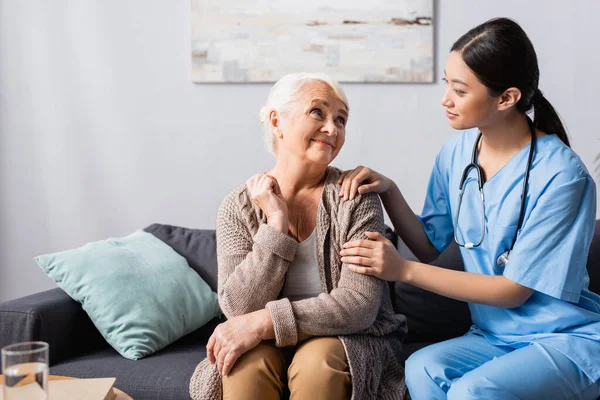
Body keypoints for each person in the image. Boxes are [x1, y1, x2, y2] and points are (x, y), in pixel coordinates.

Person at [338, 18, 600, 400]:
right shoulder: (457, 153)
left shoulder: (563, 176)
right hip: (493, 337)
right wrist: (390, 192)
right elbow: (434, 249)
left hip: (562, 340)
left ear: (506, 98)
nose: (446, 99)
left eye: (459, 90)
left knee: (471, 391)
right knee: (421, 369)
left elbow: (513, 292)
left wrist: (403, 270)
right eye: (447, 83)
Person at [188, 72, 407, 400]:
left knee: (317, 365)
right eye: (317, 112)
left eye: (341, 119)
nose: (332, 129)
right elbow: (237, 307)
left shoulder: (355, 197)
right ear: (277, 122)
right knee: (241, 367)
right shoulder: (237, 206)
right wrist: (276, 224)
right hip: (265, 345)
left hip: (347, 338)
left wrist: (263, 322)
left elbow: (359, 305)